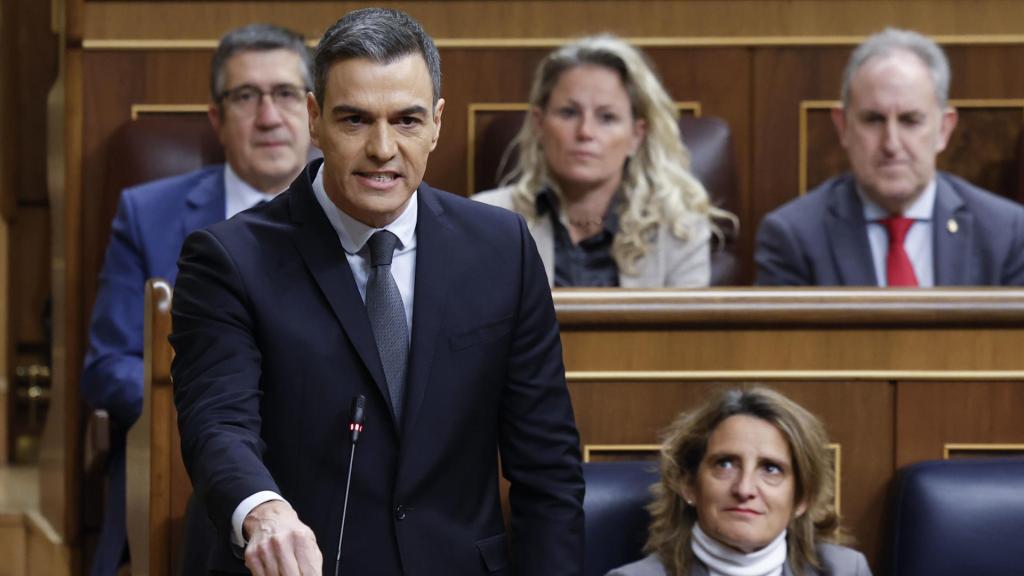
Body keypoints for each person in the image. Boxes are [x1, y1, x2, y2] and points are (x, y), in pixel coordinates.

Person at [170, 7, 584, 575]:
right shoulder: (231, 259)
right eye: (355, 120)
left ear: (438, 122)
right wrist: (262, 511)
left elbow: (549, 468)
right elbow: (218, 424)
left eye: (407, 120)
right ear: (314, 119)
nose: (383, 148)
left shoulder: (501, 248)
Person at [80, 23, 312, 576]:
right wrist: (209, 410)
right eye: (246, 96)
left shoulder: (360, 215)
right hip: (182, 472)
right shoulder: (148, 213)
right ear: (217, 118)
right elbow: (108, 366)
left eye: (284, 94)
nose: (268, 116)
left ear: (314, 111)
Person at [755, 28, 1024, 286]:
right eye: (873, 120)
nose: (891, 143)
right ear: (843, 127)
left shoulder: (1006, 233)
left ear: (944, 129)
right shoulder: (793, 237)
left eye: (910, 120)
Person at [475, 35, 730, 287]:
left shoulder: (678, 230)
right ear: (539, 124)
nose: (585, 132)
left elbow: (682, 329)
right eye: (569, 112)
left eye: (607, 117)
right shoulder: (485, 220)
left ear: (636, 135)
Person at [608, 388, 871, 576]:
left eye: (771, 469)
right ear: (688, 484)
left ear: (802, 497)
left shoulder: (845, 570)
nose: (744, 489)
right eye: (725, 464)